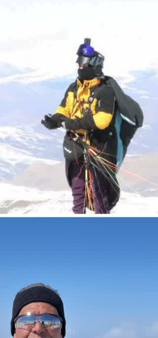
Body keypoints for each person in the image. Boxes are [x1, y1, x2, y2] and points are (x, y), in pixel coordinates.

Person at [42, 42, 118, 214]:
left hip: (98, 146)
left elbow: (102, 120)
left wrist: (71, 124)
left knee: (100, 191)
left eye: (83, 64)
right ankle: (79, 220)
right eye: (79, 63)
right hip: (75, 144)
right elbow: (64, 109)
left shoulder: (105, 91)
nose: (80, 67)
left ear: (94, 65)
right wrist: (54, 121)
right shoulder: (74, 88)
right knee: (78, 189)